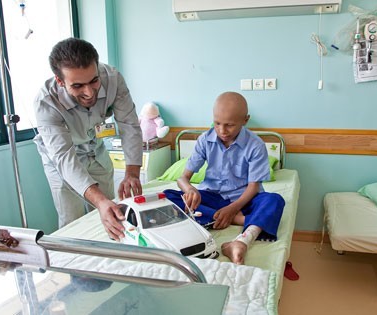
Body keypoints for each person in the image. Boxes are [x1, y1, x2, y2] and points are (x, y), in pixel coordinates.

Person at [33, 37, 143, 240]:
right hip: (61, 159)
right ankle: (74, 265)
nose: (89, 92)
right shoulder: (46, 102)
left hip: (94, 147)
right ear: (60, 81)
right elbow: (64, 157)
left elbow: (129, 125)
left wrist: (132, 173)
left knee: (110, 211)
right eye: (77, 86)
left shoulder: (113, 79)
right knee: (72, 220)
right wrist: (99, 201)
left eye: (93, 81)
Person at [164, 92, 285, 264]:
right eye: (217, 123)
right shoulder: (205, 140)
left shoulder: (255, 145)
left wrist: (232, 209)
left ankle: (241, 242)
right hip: (213, 196)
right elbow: (183, 178)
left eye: (229, 125)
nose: (222, 130)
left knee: (274, 200)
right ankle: (240, 221)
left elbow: (253, 187)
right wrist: (190, 189)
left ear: (245, 120)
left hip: (245, 200)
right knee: (167, 196)